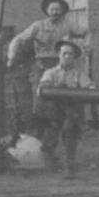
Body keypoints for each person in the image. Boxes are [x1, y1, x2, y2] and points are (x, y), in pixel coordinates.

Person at [7, 0, 92, 120]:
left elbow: (86, 32)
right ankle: (39, 124)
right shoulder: (38, 26)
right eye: (52, 9)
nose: (55, 12)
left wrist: (87, 47)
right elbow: (18, 39)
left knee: (72, 94)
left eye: (58, 9)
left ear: (62, 10)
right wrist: (11, 57)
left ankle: (72, 126)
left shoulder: (68, 25)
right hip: (42, 65)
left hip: (63, 65)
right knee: (40, 94)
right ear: (47, 11)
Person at [37, 40, 96, 178]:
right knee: (48, 141)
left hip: (72, 110)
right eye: (64, 54)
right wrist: (50, 86)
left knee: (70, 134)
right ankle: (52, 168)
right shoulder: (50, 72)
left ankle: (70, 168)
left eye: (70, 54)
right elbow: (43, 87)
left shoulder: (78, 74)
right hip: (54, 110)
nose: (67, 57)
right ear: (59, 55)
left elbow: (88, 86)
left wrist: (91, 88)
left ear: (74, 57)